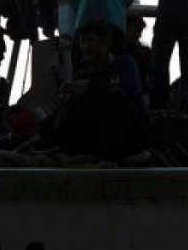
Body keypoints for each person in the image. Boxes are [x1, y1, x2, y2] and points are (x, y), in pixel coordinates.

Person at [49, 19, 148, 162]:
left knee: (115, 99)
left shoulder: (125, 65)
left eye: (90, 41)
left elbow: (127, 92)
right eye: (83, 42)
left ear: (106, 43)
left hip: (129, 137)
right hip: (95, 139)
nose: (86, 47)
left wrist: (90, 86)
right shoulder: (82, 74)